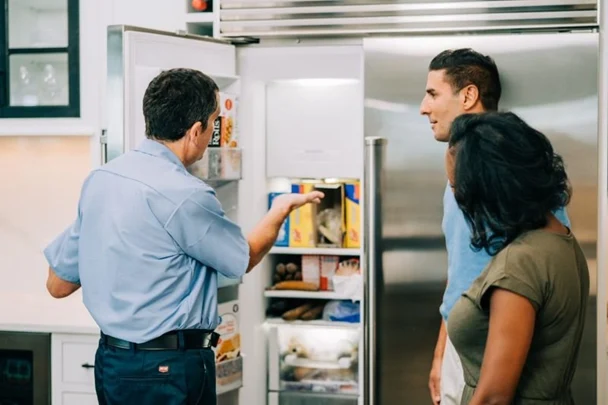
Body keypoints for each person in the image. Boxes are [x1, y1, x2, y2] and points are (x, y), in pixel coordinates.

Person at [43, 68, 323, 405]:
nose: (213, 134)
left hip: (112, 363)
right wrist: (280, 208)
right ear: (195, 130)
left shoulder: (101, 179)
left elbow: (58, 285)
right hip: (169, 369)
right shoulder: (186, 195)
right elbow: (243, 258)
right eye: (214, 123)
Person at [419, 48, 570, 405]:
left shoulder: (518, 175)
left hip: (496, 355)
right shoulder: (459, 172)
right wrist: (444, 351)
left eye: (432, 93)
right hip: (463, 342)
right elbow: (460, 274)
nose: (424, 107)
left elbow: (533, 273)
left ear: (468, 95)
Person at [445, 111, 589, 404]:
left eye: (458, 188)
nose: (459, 199)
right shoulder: (562, 241)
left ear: (490, 188)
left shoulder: (519, 264)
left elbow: (494, 398)